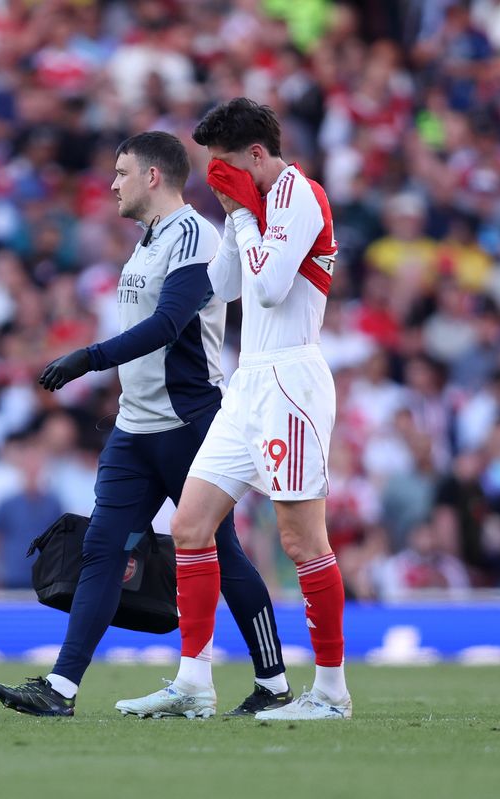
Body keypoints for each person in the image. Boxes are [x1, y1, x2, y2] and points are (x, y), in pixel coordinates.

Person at [0, 131, 290, 717]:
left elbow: (169, 324)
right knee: (102, 548)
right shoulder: (148, 240)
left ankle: (273, 681)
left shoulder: (196, 235)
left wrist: (89, 357)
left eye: (121, 172)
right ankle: (61, 689)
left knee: (221, 552)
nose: (112, 184)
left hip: (189, 424)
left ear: (153, 176)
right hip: (134, 428)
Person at [116, 98, 349, 721]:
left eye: (223, 164)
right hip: (248, 383)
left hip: (291, 378)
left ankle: (331, 692)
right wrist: (232, 218)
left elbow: (269, 290)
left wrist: (244, 215)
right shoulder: (253, 206)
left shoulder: (300, 195)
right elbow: (224, 286)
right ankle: (193, 682)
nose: (217, 176)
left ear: (256, 154)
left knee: (302, 540)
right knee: (190, 525)